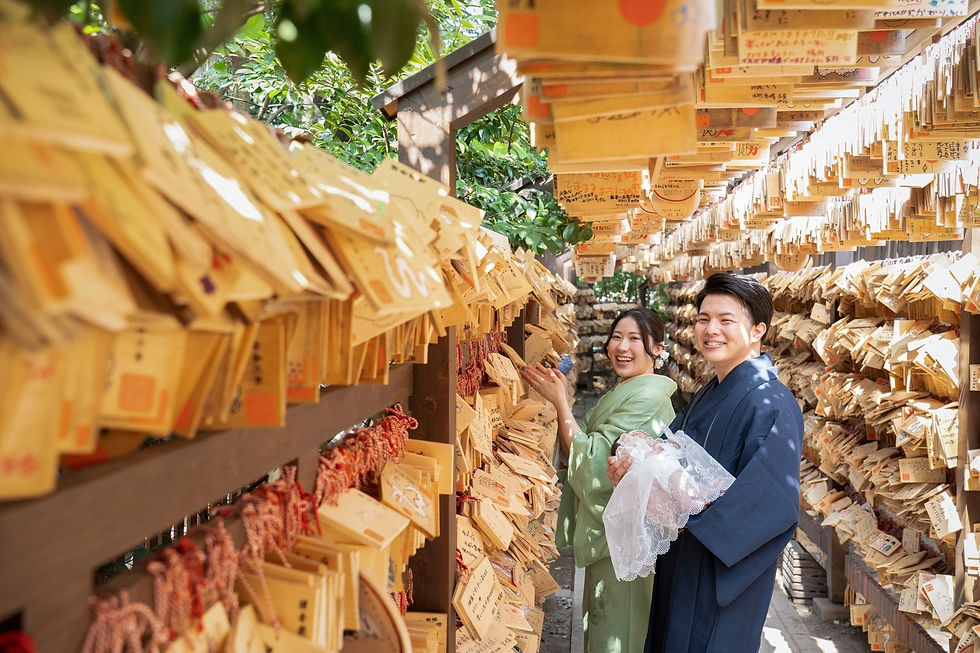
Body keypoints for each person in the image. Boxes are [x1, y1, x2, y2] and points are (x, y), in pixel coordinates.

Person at [606, 273, 804, 653]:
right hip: (682, 563)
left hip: (720, 576)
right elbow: (667, 458)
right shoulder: (710, 392)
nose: (711, 330)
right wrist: (634, 475)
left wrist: (689, 524)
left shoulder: (773, 403)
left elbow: (772, 502)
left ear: (757, 329)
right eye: (703, 319)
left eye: (726, 320)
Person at [522, 307, 676, 653]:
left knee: (618, 629)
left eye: (635, 339)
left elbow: (596, 464)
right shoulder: (629, 387)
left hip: (626, 534)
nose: (622, 347)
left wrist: (561, 404)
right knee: (602, 622)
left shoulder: (649, 396)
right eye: (617, 337)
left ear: (658, 349)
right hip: (611, 531)